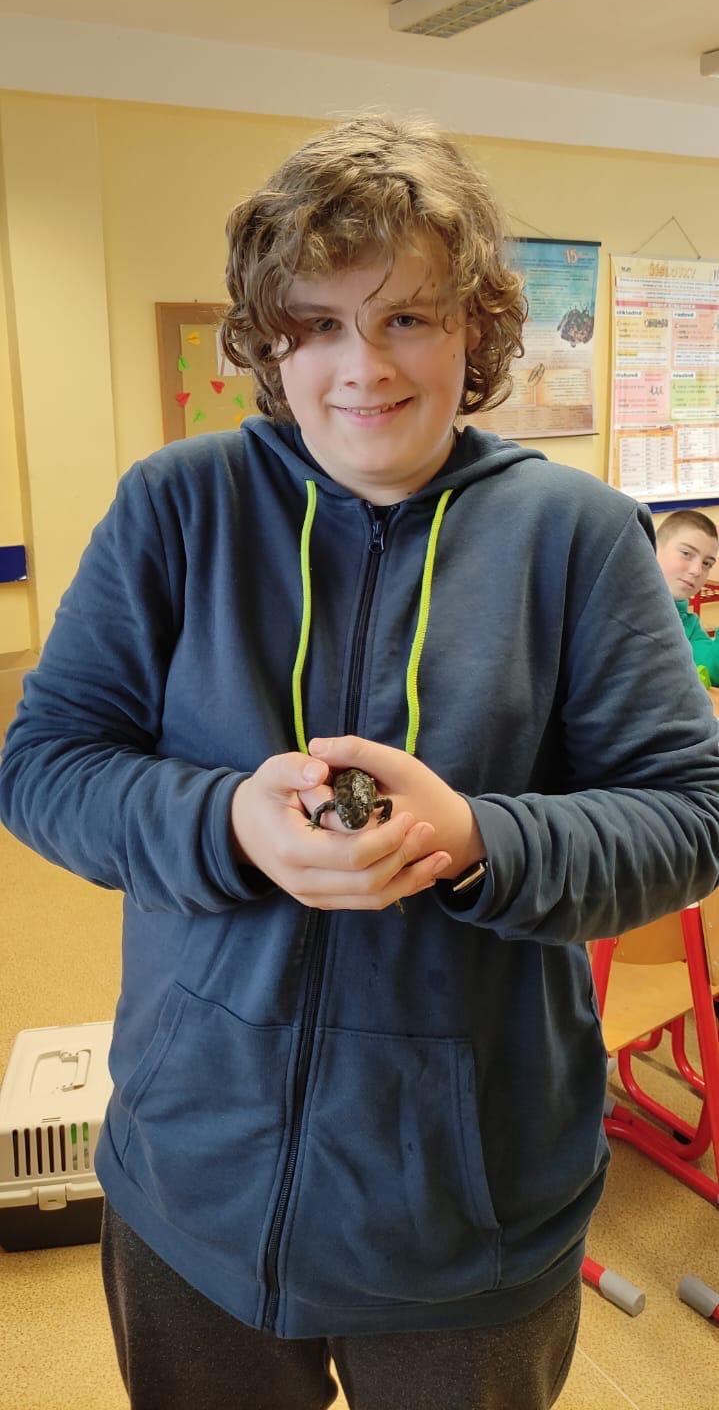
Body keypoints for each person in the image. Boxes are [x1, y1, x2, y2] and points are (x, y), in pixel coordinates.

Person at [1, 114, 718, 1410]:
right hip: (194, 1185)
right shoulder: (176, 506)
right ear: (266, 340)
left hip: (465, 1216)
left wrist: (481, 841)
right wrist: (226, 822)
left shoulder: (577, 537)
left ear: (472, 330)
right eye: (317, 323)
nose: (361, 366)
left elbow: (689, 813)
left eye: (406, 318)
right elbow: (43, 766)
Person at [656, 509, 719, 686]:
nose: (697, 570)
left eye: (707, 563)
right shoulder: (617, 601)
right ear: (653, 547)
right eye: (686, 553)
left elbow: (711, 671)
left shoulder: (689, 626)